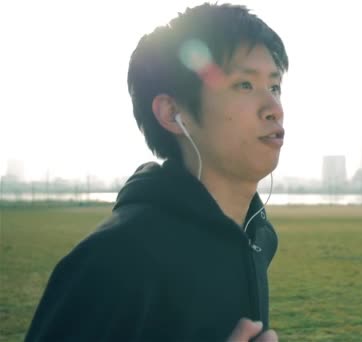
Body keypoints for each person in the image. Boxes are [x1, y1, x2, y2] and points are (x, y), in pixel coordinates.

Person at [25, 3, 288, 341]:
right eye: (244, 85)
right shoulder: (113, 261)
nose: (274, 109)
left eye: (275, 86)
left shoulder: (258, 238)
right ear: (172, 112)